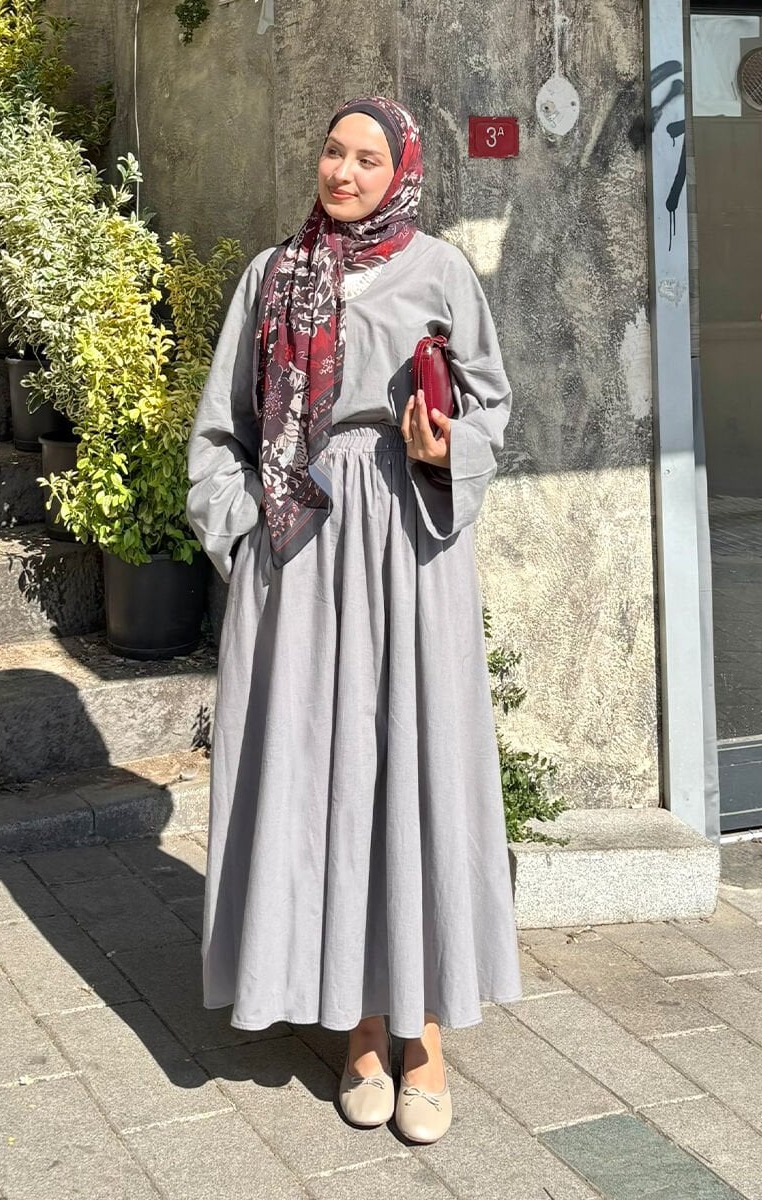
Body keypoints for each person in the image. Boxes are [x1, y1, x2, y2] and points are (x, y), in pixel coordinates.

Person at [186, 95, 522, 1145]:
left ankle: (424, 1033)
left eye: (366, 158)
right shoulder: (271, 276)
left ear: (401, 172)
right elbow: (221, 430)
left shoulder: (443, 272)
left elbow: (491, 407)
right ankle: (360, 1026)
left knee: (418, 766)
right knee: (318, 766)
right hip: (301, 547)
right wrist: (249, 531)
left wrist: (444, 452)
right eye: (333, 151)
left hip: (411, 545)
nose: (342, 171)